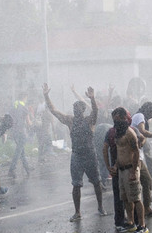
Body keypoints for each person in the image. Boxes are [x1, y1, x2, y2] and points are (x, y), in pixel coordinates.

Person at [43, 83, 106, 221]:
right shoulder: (70, 120)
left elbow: (95, 111)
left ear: (83, 110)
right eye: (74, 108)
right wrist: (46, 95)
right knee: (76, 184)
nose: (75, 111)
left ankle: (100, 207)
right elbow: (53, 110)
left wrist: (92, 98)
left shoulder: (89, 121)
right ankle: (77, 212)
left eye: (77, 109)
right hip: (77, 155)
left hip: (90, 155)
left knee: (96, 182)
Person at [112, 107, 148, 233]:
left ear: (124, 118)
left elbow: (136, 152)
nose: (116, 121)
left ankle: (143, 226)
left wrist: (133, 171)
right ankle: (131, 222)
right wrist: (116, 165)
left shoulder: (129, 133)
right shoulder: (118, 133)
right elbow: (120, 152)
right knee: (126, 198)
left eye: (118, 118)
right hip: (121, 170)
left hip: (130, 169)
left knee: (136, 198)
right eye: (114, 118)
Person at [131, 102, 152, 217]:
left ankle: (147, 208)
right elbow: (142, 131)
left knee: (146, 181)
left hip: (139, 155)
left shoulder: (141, 116)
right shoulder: (139, 116)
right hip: (135, 156)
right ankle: (135, 211)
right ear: (147, 110)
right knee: (138, 183)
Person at [8, 90, 32, 178]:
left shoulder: (13, 106)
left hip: (14, 131)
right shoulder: (24, 107)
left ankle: (27, 168)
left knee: (21, 150)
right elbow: (28, 122)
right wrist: (35, 124)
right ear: (24, 97)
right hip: (21, 131)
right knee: (18, 151)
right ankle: (12, 168)